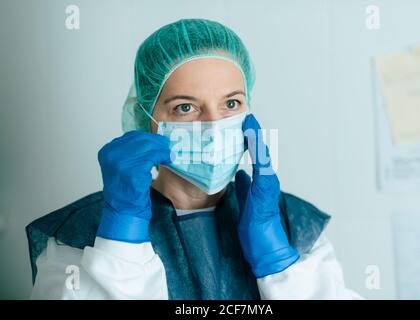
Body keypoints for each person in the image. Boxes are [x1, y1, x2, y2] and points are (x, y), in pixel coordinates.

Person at [26, 18, 361, 299]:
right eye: (185, 107)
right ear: (146, 119)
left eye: (231, 104)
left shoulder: (292, 227)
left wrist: (281, 265)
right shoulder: (78, 235)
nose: (214, 127)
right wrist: (119, 245)